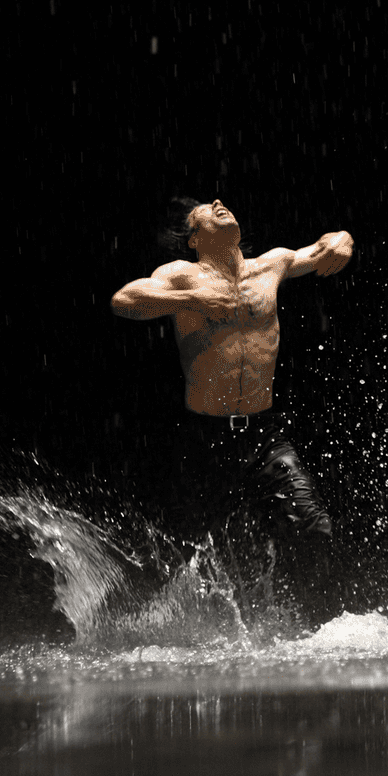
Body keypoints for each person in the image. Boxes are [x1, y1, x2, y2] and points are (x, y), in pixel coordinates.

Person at [110, 197, 353, 543]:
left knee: (315, 529)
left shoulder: (272, 264)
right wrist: (192, 300)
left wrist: (343, 240)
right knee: (193, 548)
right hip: (206, 438)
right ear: (195, 240)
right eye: (206, 209)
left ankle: (301, 596)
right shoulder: (183, 275)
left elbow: (325, 245)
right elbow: (123, 301)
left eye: (219, 202)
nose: (218, 202)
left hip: (263, 435)